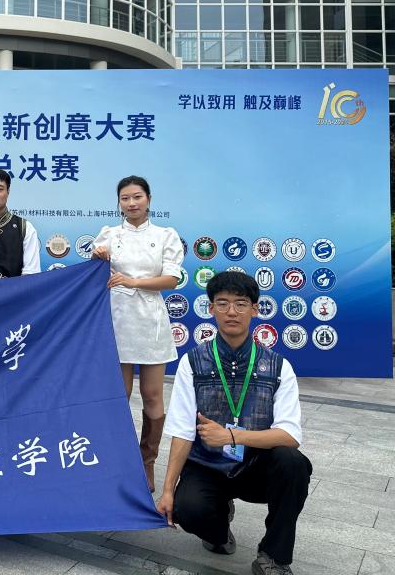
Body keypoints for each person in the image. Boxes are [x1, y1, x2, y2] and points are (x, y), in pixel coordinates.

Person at [156, 272, 311, 575]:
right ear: (210, 309)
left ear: (255, 309)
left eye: (240, 304)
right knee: (189, 510)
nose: (231, 312)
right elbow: (182, 431)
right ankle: (219, 528)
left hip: (256, 467)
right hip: (207, 465)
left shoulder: (278, 366)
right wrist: (167, 490)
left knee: (293, 463)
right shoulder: (192, 362)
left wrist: (232, 436)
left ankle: (274, 557)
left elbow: (289, 435)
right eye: (222, 303)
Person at [91, 175, 184, 491]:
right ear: (119, 202)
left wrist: (133, 282)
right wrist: (97, 257)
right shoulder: (109, 235)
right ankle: (118, 460)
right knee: (119, 395)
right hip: (116, 320)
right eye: (125, 198)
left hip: (150, 322)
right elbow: (94, 273)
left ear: (149, 199)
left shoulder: (165, 235)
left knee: (152, 395)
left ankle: (147, 463)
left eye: (137, 197)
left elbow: (171, 279)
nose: (131, 203)